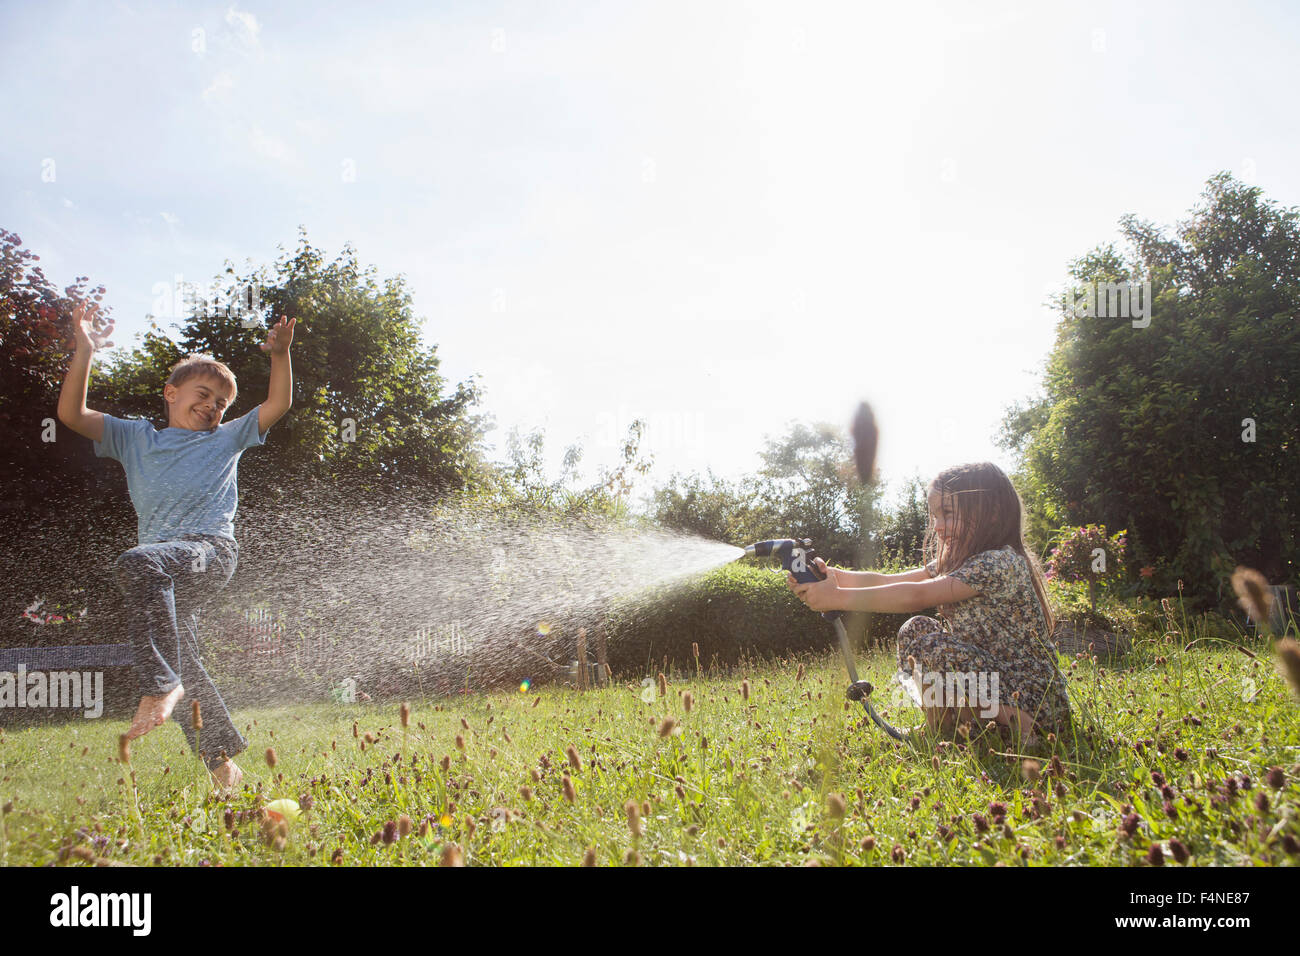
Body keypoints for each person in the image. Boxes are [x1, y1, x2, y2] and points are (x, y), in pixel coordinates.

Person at [57, 299, 296, 793]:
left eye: (221, 404)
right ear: (171, 393)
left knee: (137, 563)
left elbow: (277, 406)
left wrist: (280, 356)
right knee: (183, 658)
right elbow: (71, 414)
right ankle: (225, 769)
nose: (212, 407)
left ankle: (160, 685)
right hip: (162, 574)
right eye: (203, 394)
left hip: (208, 553)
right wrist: (84, 351)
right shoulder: (134, 437)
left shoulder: (225, 439)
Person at [788, 462, 1071, 749]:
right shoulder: (960, 562)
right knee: (916, 630)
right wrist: (835, 577)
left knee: (931, 645)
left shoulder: (999, 562)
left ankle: (1019, 722)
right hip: (995, 682)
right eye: (934, 515)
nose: (937, 526)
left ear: (993, 513)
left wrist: (836, 597)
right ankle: (942, 725)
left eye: (947, 513)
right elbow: (890, 580)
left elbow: (916, 596)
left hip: (1034, 700)